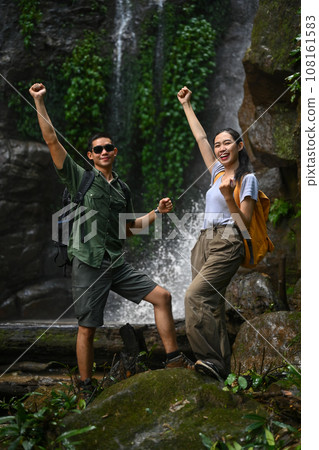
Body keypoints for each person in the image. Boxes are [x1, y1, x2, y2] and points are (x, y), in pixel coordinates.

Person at [29, 83, 194, 397]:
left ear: (115, 152)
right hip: (88, 262)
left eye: (109, 147)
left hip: (115, 263)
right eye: (98, 149)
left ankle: (173, 359)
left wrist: (156, 213)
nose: (104, 152)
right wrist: (39, 101)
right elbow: (51, 139)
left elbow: (128, 229)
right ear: (90, 156)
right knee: (87, 328)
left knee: (162, 296)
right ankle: (87, 387)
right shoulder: (80, 176)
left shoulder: (122, 189)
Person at [177, 86, 258, 381]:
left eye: (227, 143)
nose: (221, 148)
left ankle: (208, 359)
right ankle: (221, 367)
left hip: (228, 240)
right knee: (210, 304)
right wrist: (187, 104)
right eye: (218, 144)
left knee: (195, 296)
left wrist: (227, 197)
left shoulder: (247, 179)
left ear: (239, 146)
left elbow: (244, 225)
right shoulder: (215, 173)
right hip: (203, 241)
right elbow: (200, 137)